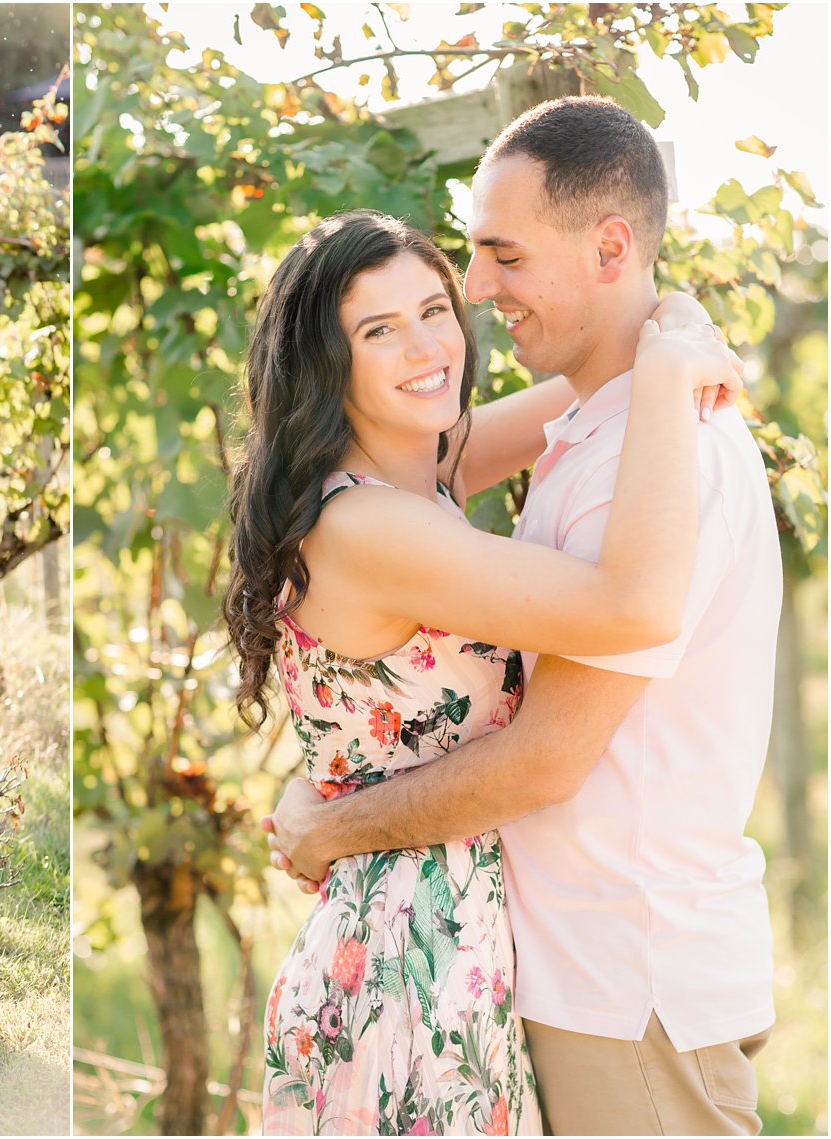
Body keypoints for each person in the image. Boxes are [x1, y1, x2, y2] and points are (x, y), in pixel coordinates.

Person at [265, 97, 780, 1135]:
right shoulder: (376, 512)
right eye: (376, 328)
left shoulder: (622, 452)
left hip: (612, 968)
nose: (468, 307)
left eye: (475, 274)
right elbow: (619, 596)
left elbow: (571, 710)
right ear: (331, 362)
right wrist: (665, 349)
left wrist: (670, 335)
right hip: (455, 958)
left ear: (607, 246)